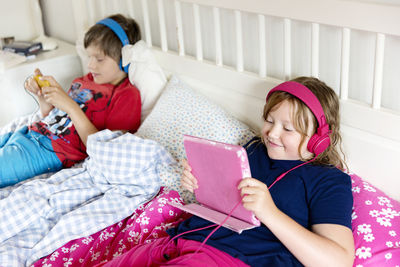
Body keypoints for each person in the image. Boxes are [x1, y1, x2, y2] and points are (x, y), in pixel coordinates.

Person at [96, 77, 355, 267]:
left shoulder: (329, 181)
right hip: (180, 240)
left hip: (230, 258)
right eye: (269, 121)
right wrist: (199, 185)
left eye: (288, 129)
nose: (272, 134)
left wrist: (269, 212)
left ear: (319, 138)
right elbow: (226, 203)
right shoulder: (253, 149)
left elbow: (338, 261)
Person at [0, 14, 142, 187]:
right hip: (27, 134)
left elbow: (108, 151)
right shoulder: (85, 81)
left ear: (124, 59)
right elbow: (53, 117)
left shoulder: (126, 95)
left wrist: (71, 106)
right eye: (89, 57)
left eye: (99, 59)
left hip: (47, 152)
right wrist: (43, 96)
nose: (90, 65)